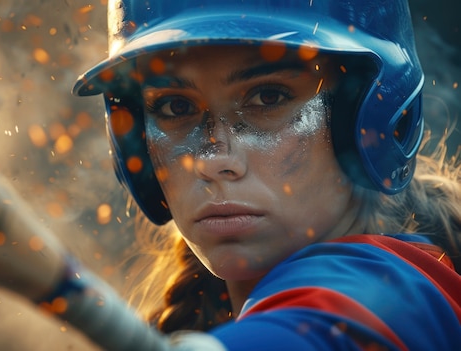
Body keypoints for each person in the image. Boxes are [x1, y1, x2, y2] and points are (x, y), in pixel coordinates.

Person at [73, 0, 461, 349]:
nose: (211, 159)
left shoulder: (386, 293)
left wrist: (54, 285)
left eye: (268, 97)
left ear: (370, 118)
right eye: (175, 107)